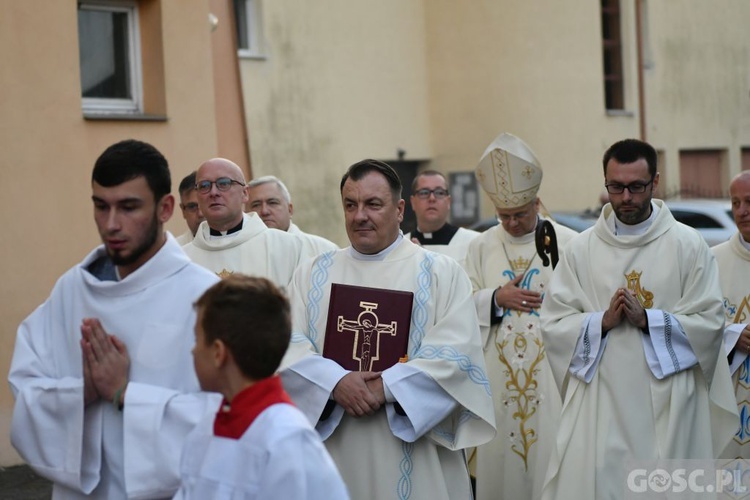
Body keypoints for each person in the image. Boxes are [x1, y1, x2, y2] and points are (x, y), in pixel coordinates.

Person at [8, 139, 221, 499]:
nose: (111, 224)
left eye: (128, 207)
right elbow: (27, 388)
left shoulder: (204, 298)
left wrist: (124, 393)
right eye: (100, 207)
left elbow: (228, 419)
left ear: (165, 207)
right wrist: (82, 393)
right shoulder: (71, 290)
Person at [279, 159, 496, 500]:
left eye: (373, 204)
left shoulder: (441, 273)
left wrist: (386, 387)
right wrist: (334, 382)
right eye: (350, 205)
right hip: (335, 451)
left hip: (419, 456)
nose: (359, 215)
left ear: (399, 209)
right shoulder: (312, 275)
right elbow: (285, 345)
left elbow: (456, 356)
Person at [539, 138, 738, 499]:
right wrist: (600, 322)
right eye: (615, 187)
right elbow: (553, 323)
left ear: (655, 183)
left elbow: (710, 323)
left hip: (672, 402)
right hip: (602, 401)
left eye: (635, 187)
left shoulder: (687, 245)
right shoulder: (581, 250)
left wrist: (651, 321)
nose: (625, 197)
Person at [465, 133, 578, 500]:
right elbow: (457, 309)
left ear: (538, 203)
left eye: (520, 214)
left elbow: (586, 310)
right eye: (504, 216)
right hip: (498, 383)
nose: (511, 224)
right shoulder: (480, 246)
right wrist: (496, 298)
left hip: (553, 380)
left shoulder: (571, 243)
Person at [173, 275, 349, 499]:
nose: (193, 351)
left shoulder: (287, 439)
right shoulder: (206, 427)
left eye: (197, 340)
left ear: (218, 353)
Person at [183, 159, 302, 288]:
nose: (213, 192)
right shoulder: (184, 258)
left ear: (245, 194)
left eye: (223, 183)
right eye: (204, 186)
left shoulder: (287, 247)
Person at [713, 170, 750, 458]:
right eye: (735, 203)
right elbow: (693, 321)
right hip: (728, 398)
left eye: (749, 201)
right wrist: (733, 334)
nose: (742, 211)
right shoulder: (712, 260)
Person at [247, 175, 338, 259]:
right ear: (246, 213)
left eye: (272, 203)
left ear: (290, 210)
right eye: (256, 205)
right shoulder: (242, 254)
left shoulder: (324, 251)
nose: (264, 211)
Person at [405, 170, 479, 268]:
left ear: (448, 201)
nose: (432, 198)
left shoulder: (474, 243)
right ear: (413, 202)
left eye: (439, 192)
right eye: (424, 193)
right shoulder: (402, 245)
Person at [175, 171, 204, 245]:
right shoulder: (175, 250)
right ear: (183, 211)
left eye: (205, 205)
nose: (200, 214)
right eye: (192, 206)